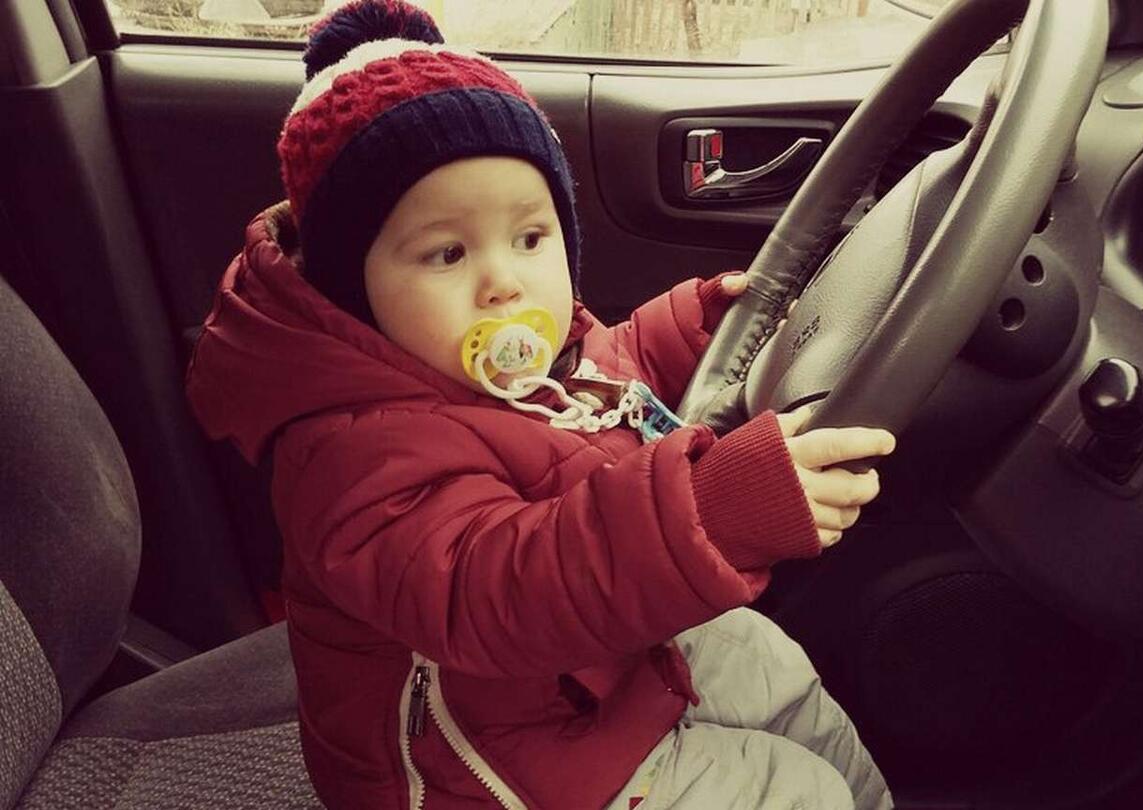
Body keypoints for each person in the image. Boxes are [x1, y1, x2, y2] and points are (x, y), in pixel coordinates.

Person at [186, 1, 896, 807]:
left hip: (577, 676)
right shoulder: (348, 449)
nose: (504, 282)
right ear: (355, 291)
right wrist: (717, 510)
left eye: (530, 238)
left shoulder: (512, 359)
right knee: (796, 792)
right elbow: (493, 590)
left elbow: (606, 382)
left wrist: (697, 329)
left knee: (766, 662)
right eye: (447, 253)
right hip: (475, 759)